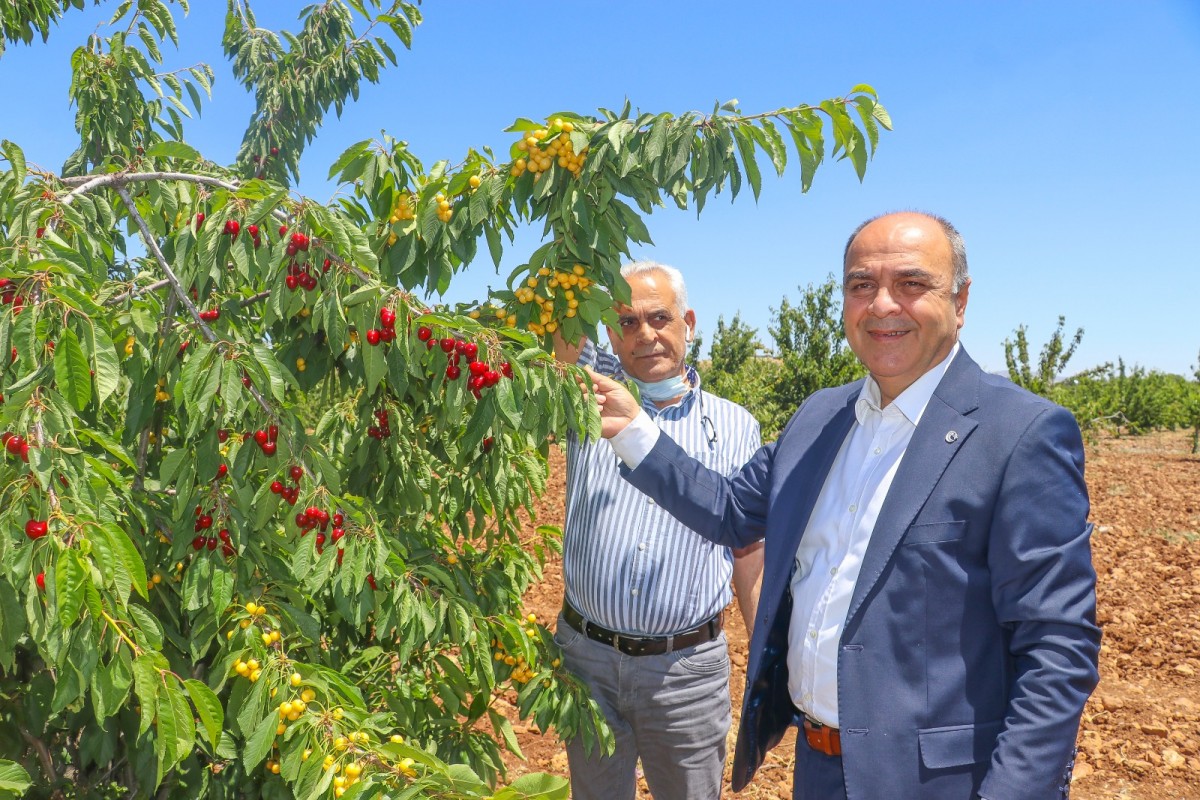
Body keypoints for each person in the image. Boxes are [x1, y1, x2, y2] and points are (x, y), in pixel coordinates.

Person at [586, 213, 1101, 799]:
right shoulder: (820, 419)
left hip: (938, 782)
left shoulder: (1019, 433)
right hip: (820, 763)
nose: (882, 305)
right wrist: (634, 432)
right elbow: (730, 511)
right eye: (862, 285)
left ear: (960, 301)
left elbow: (1056, 648)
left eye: (911, 283)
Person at [552, 260, 764, 800]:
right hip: (587, 660)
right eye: (627, 322)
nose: (645, 334)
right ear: (610, 334)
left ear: (687, 322)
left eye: (660, 317)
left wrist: (768, 659)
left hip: (686, 674)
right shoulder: (586, 400)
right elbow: (559, 344)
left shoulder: (736, 425)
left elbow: (748, 552)